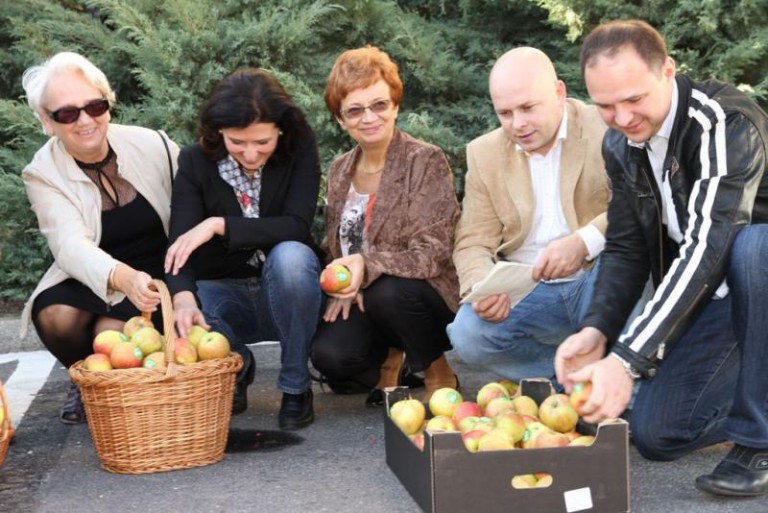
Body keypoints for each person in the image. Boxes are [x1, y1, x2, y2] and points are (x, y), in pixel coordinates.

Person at [555, 19, 768, 497]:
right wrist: (597, 331)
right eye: (605, 105)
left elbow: (709, 245)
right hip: (718, 299)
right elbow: (628, 247)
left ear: (668, 71)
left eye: (634, 99)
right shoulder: (621, 146)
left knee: (756, 247)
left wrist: (627, 359)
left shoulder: (724, 121)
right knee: (658, 434)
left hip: (758, 282)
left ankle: (759, 436)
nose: (623, 117)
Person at [19, 51, 179, 424]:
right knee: (56, 314)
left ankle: (103, 378)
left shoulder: (154, 144)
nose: (85, 120)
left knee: (113, 332)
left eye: (94, 105)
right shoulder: (41, 173)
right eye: (67, 113)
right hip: (93, 274)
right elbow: (70, 246)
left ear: (108, 103)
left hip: (159, 269)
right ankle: (88, 379)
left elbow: (195, 202)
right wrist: (122, 277)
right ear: (47, 122)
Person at [164, 68, 322, 430]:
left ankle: (296, 387)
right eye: (238, 142)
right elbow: (180, 245)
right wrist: (183, 297)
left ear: (280, 130)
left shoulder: (299, 151)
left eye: (262, 142)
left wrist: (219, 224)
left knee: (293, 256)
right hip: (224, 292)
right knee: (186, 299)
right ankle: (236, 365)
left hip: (286, 289)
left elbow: (296, 225)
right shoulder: (193, 161)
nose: (250, 154)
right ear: (219, 131)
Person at [447, 47, 610, 383]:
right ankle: (571, 382)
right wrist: (483, 287)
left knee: (636, 267)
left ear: (559, 93)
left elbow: (636, 204)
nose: (517, 124)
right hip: (526, 290)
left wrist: (583, 242)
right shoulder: (484, 153)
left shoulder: (605, 128)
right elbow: (473, 241)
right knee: (467, 334)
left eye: (527, 108)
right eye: (504, 113)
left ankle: (616, 380)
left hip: (598, 277)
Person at [310, 46, 461, 405]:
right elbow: (336, 245)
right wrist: (340, 286)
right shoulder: (339, 169)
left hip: (420, 295)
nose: (369, 117)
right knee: (332, 357)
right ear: (340, 119)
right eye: (355, 110)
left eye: (379, 104)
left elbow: (432, 253)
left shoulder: (424, 160)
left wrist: (368, 267)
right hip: (362, 293)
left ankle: (438, 370)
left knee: (388, 293)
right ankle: (393, 356)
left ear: (394, 104)